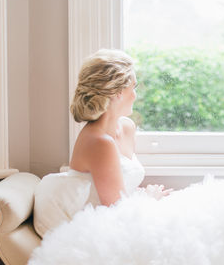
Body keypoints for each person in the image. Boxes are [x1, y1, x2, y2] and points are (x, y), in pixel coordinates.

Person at [68, 48, 171, 206]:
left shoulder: (127, 127)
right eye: (133, 88)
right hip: (105, 222)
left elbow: (121, 189)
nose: (135, 95)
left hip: (130, 212)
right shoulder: (99, 142)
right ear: (117, 93)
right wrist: (149, 198)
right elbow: (117, 210)